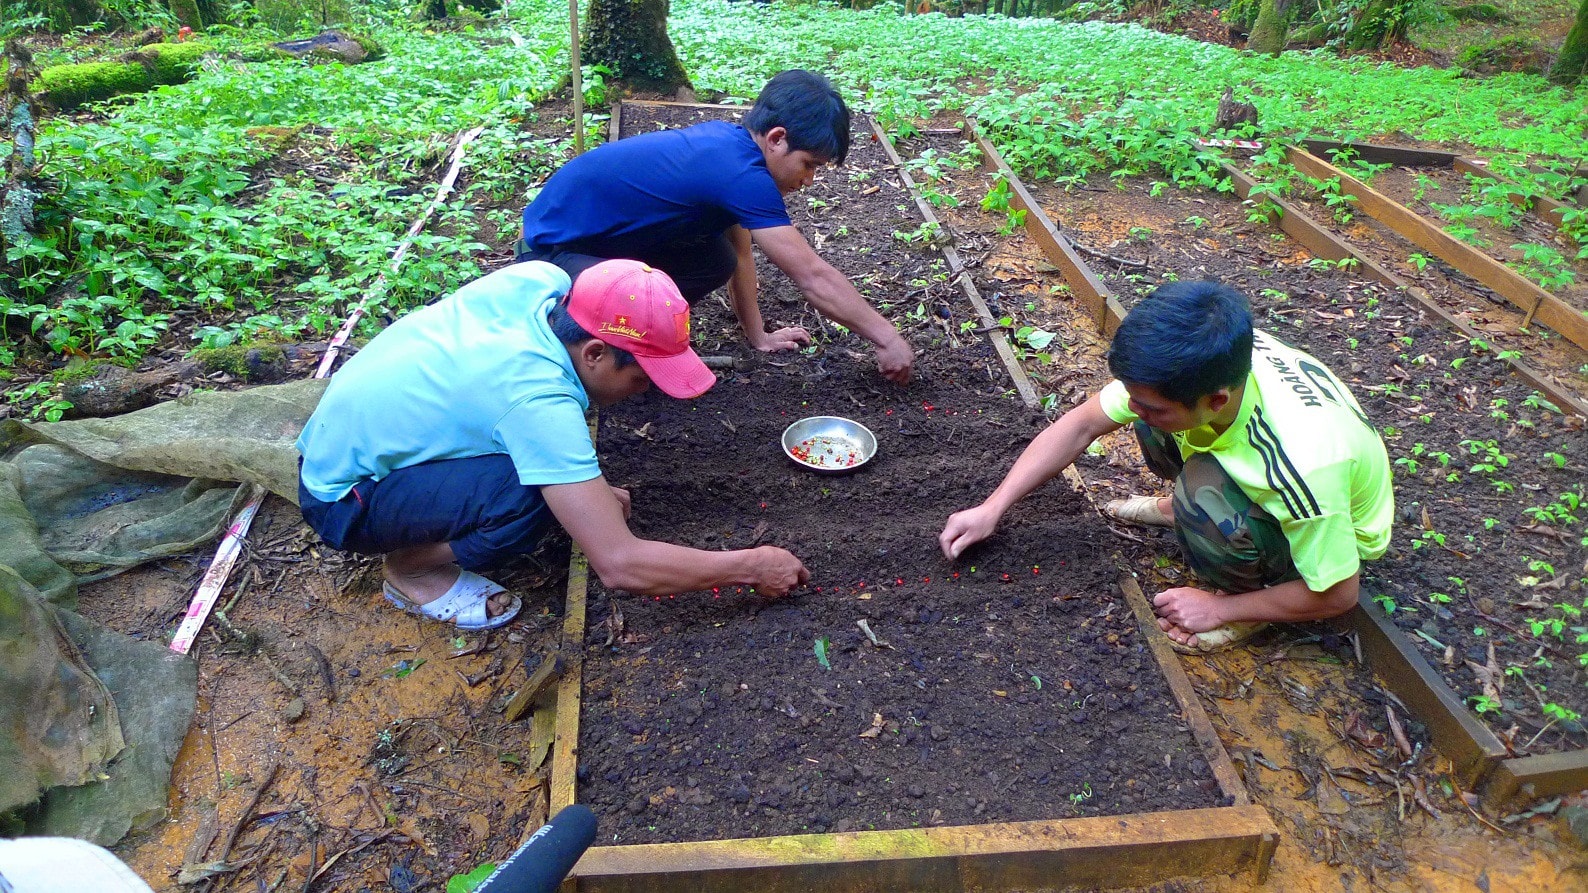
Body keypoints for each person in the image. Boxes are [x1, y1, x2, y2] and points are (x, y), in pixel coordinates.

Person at [296, 259, 809, 630]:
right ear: (594, 353)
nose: (647, 390)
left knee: (556, 484)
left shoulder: (542, 283)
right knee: (528, 499)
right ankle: (411, 570)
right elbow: (620, 564)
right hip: (344, 500)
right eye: (643, 377)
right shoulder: (537, 402)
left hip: (349, 444)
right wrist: (751, 565)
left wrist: (597, 495)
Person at [937, 281, 1393, 653]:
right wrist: (993, 507)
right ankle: (1186, 507)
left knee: (1202, 490)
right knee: (1157, 432)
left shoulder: (1304, 465)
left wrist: (1220, 611)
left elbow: (1338, 595)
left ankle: (1251, 598)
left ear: (1215, 400)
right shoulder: (1210, 362)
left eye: (1151, 402)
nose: (1134, 406)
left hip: (1330, 527)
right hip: (1264, 468)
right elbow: (1080, 425)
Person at [515, 69, 914, 384]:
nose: (809, 180)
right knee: (695, 265)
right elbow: (810, 275)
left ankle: (630, 334)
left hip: (591, 243)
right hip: (551, 260)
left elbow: (740, 254)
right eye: (809, 164)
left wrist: (758, 337)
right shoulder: (740, 173)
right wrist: (887, 337)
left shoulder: (733, 150)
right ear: (777, 138)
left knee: (715, 257)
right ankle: (592, 346)